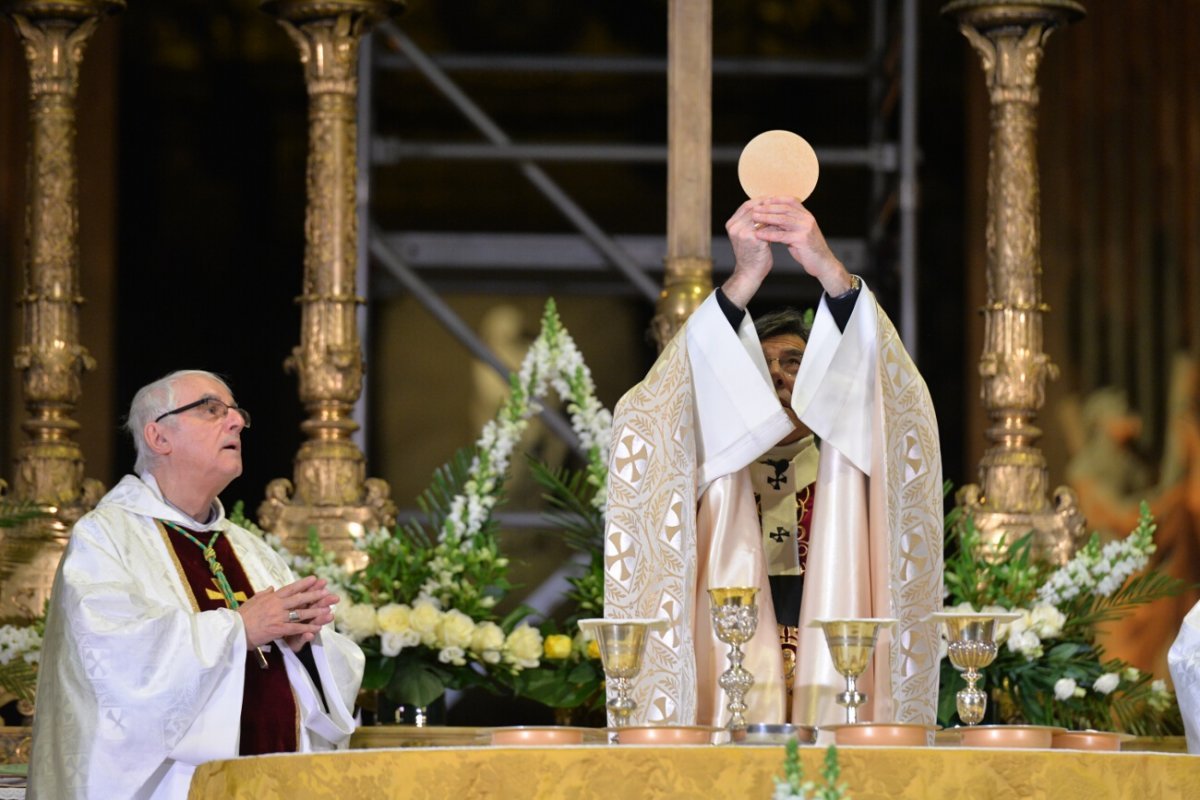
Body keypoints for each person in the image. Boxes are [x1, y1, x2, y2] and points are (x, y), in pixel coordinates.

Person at [604, 197, 942, 728]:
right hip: (728, 677)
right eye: (763, 369)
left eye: (794, 364)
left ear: (826, 384)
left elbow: (887, 390)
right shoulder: (712, 473)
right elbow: (656, 406)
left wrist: (829, 270)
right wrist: (745, 277)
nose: (781, 378)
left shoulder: (851, 473)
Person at [30, 370, 365, 800]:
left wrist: (306, 648)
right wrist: (238, 629)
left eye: (237, 413)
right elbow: (116, 664)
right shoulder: (108, 538)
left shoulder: (251, 551)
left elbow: (319, 689)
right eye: (211, 410)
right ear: (158, 437)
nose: (237, 422)